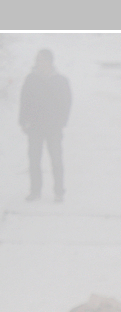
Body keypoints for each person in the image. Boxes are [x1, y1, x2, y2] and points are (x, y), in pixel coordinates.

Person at [19, 49, 72, 203]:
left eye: (41, 60)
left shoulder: (60, 80)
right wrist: (23, 121)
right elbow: (24, 101)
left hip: (53, 128)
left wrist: (61, 122)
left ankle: (59, 192)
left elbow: (66, 103)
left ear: (50, 61)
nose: (38, 63)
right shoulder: (31, 79)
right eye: (37, 60)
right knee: (34, 160)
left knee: (56, 160)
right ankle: (35, 191)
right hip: (34, 127)